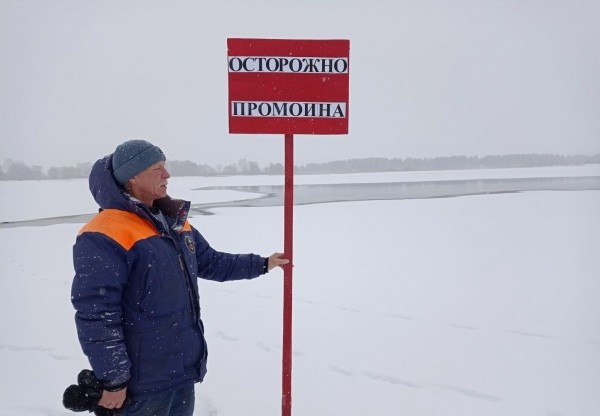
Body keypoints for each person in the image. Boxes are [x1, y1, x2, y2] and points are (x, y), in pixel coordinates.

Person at [71, 139, 288, 416]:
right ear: (132, 176)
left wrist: (262, 264)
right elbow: (96, 312)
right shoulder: (104, 234)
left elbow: (211, 262)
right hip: (141, 385)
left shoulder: (172, 222)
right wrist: (114, 378)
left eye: (165, 166)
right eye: (157, 168)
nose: (167, 174)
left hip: (181, 372)